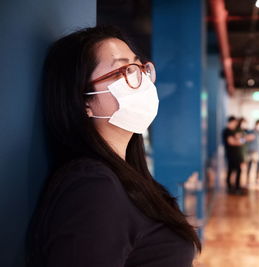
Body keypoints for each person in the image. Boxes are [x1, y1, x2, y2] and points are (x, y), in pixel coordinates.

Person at [26, 26, 201, 267]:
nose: (141, 80)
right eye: (123, 70)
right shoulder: (91, 185)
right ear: (84, 100)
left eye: (139, 67)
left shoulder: (127, 172)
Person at [222, 116, 244, 194]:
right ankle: (233, 188)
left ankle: (235, 187)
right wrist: (240, 141)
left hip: (235, 155)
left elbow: (239, 139)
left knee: (235, 170)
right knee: (234, 170)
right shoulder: (227, 131)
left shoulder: (232, 131)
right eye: (235, 123)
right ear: (231, 122)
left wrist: (240, 139)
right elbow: (231, 142)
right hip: (231, 155)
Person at [245, 119, 259, 184]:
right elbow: (244, 139)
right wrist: (248, 138)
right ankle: (247, 180)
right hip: (251, 151)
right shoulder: (250, 131)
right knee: (249, 166)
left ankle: (257, 179)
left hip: (258, 151)